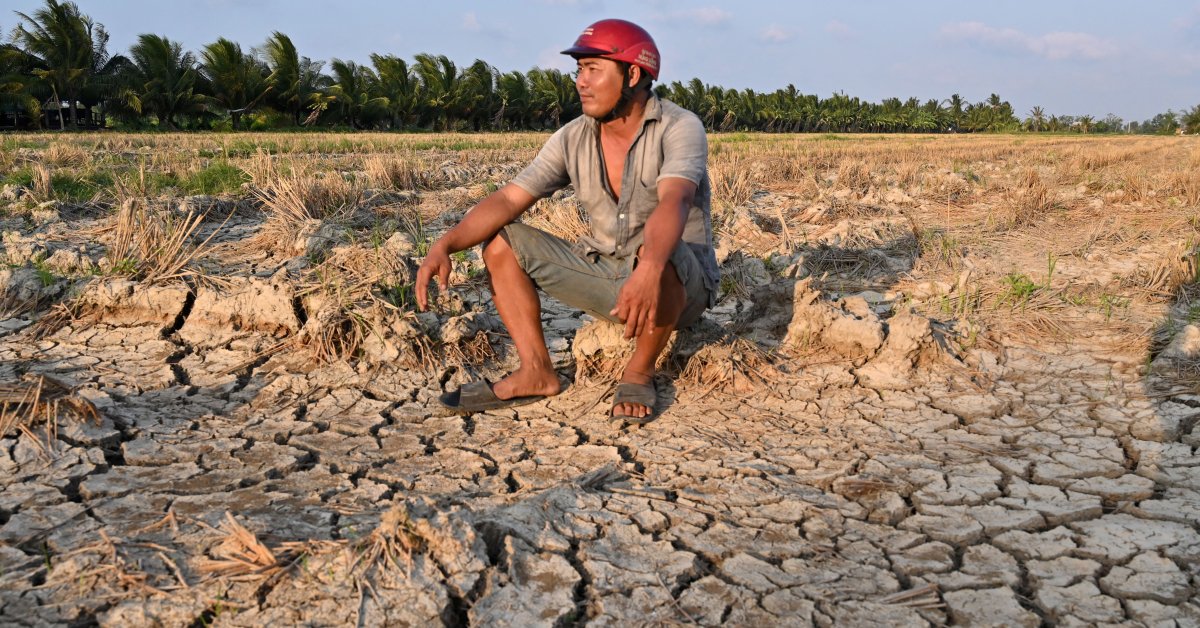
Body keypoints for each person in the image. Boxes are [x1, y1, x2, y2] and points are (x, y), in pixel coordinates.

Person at [415, 18, 718, 423]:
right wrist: (445, 244)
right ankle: (536, 371)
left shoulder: (680, 127)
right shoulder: (573, 136)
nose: (581, 81)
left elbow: (675, 201)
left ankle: (640, 371)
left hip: (677, 287)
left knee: (658, 247)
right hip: (609, 275)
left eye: (594, 69)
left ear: (632, 74)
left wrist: (648, 268)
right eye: (579, 70)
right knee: (503, 240)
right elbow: (509, 198)